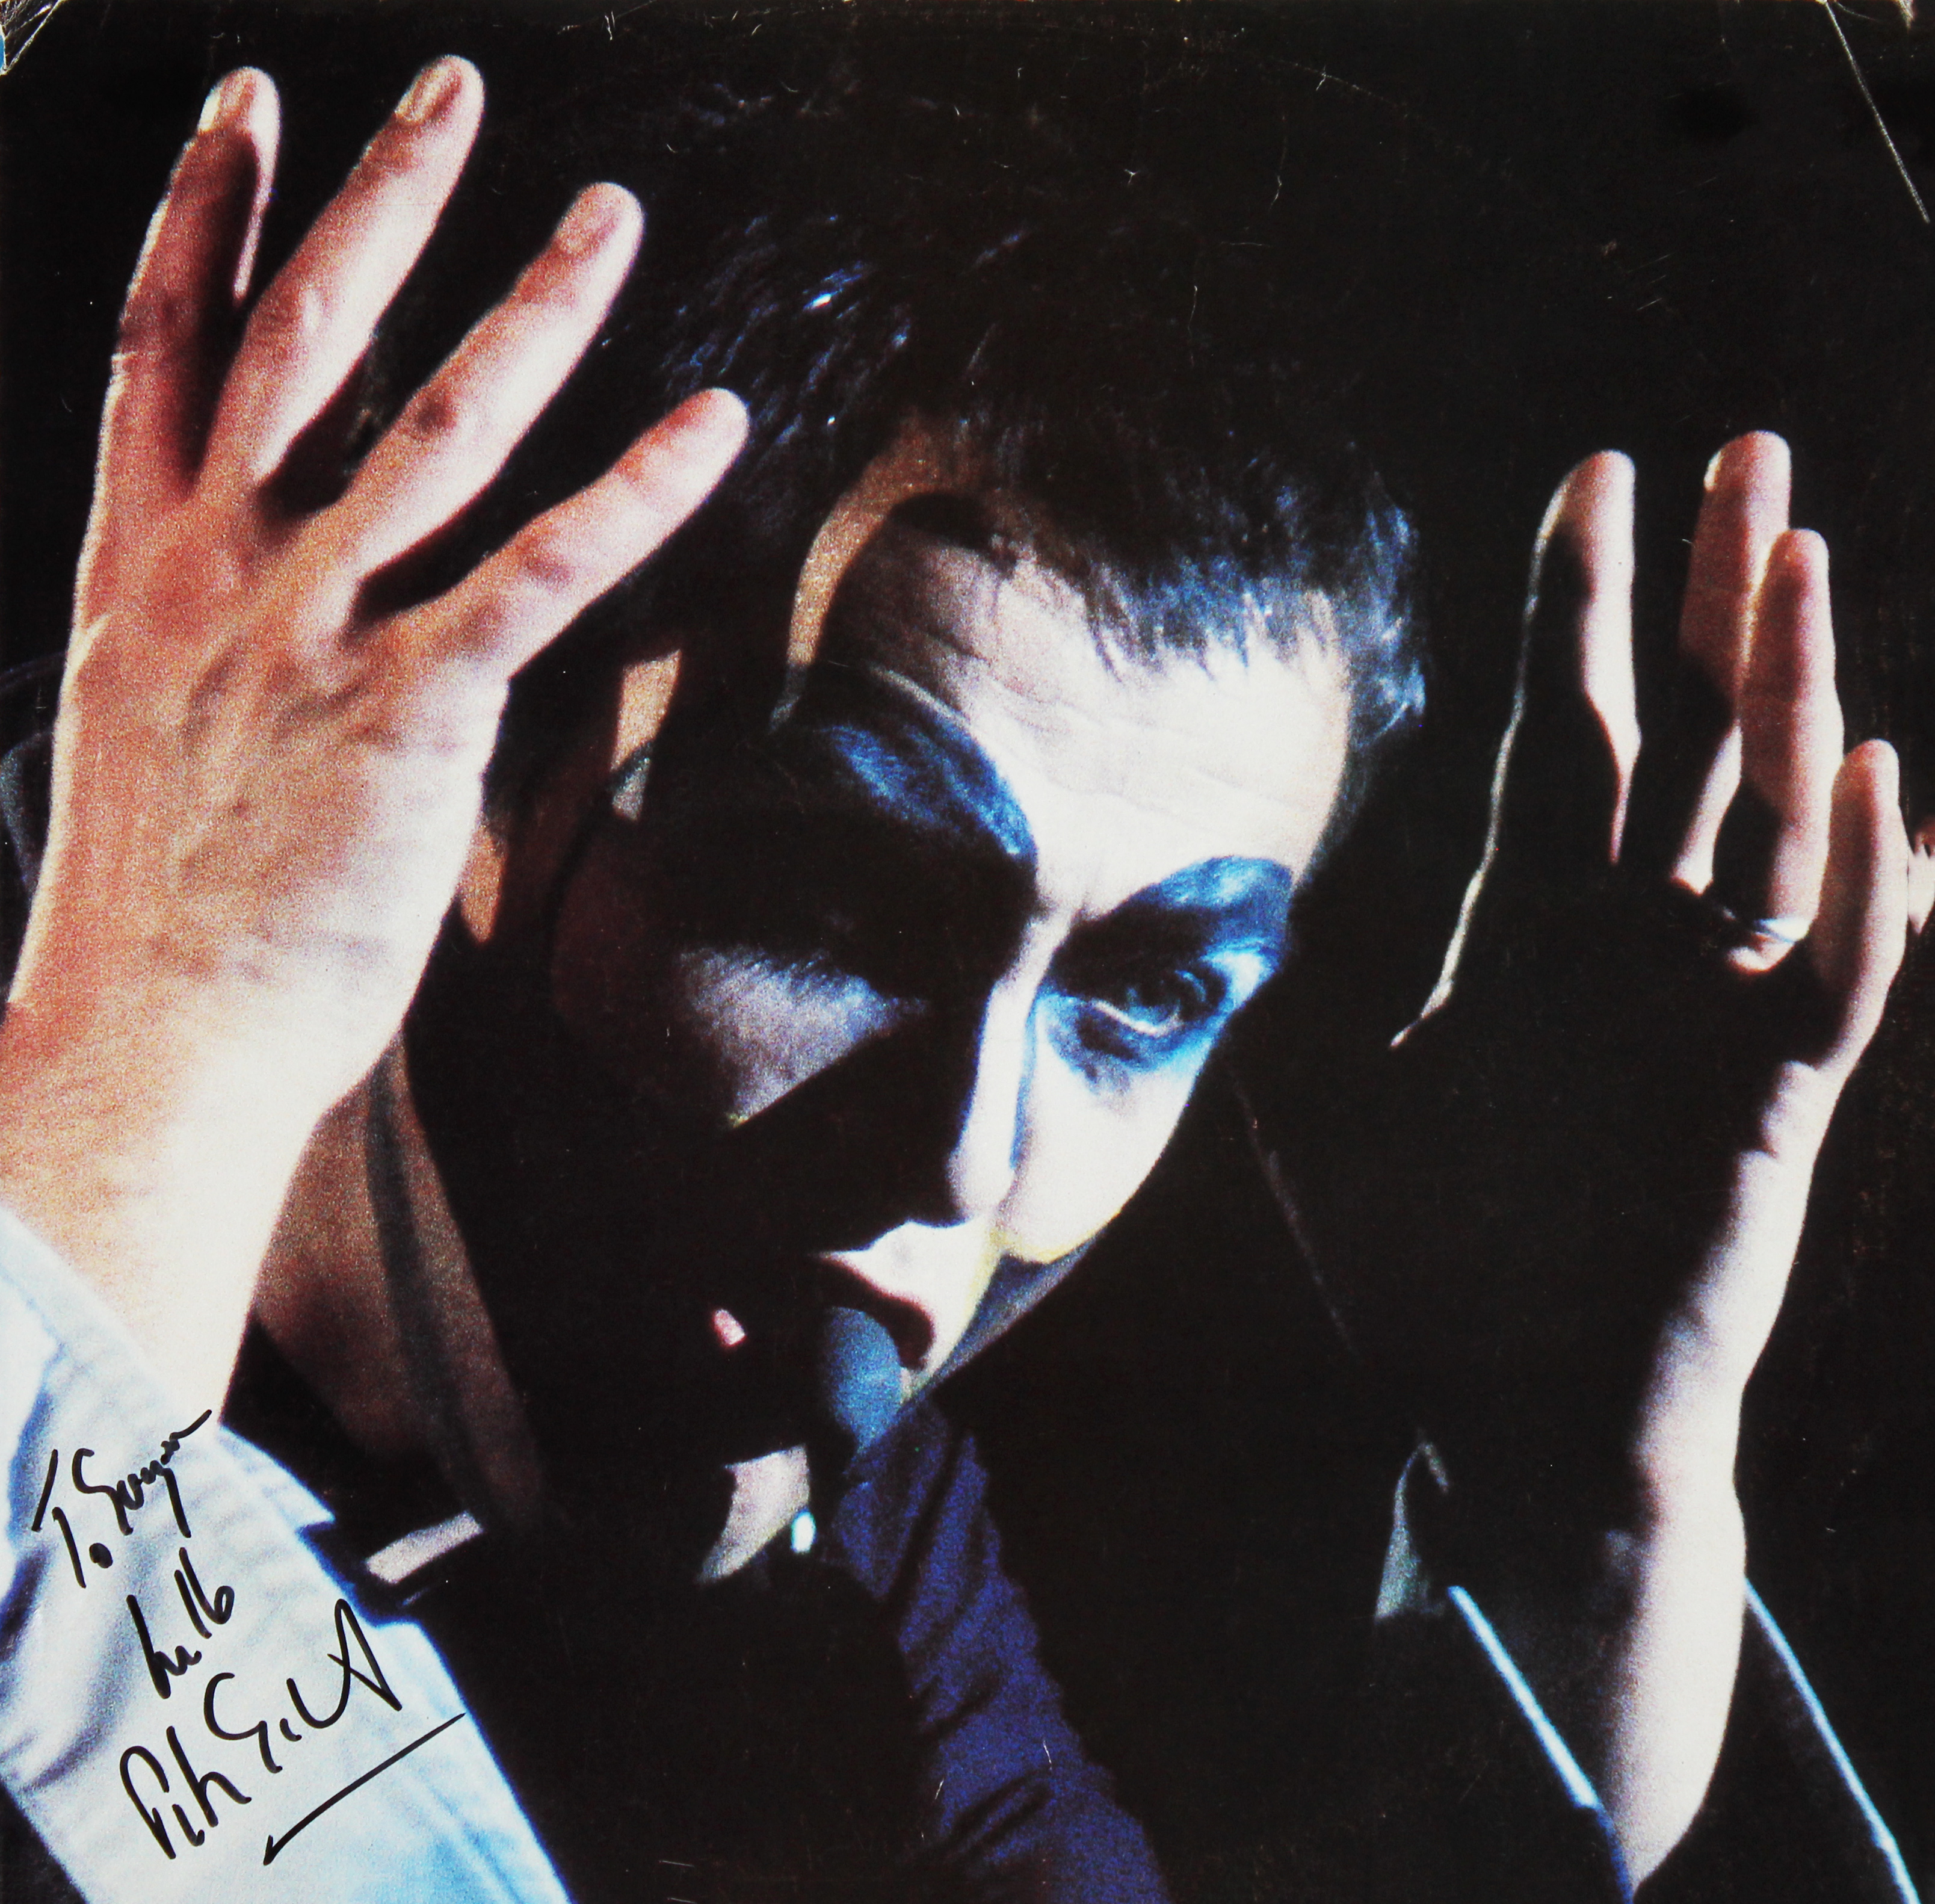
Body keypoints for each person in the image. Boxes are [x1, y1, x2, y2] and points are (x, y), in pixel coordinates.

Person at [0, 50, 1917, 1903]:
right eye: (830, 902)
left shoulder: (840, 1525)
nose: (960, 1160)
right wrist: (158, 1052)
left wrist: (1593, 1494)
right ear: (450, 752)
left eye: (1142, 996)